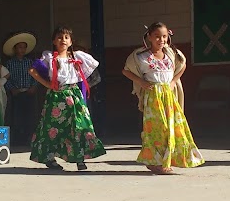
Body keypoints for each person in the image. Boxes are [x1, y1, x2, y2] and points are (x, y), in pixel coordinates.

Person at [122, 22, 203, 174]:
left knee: (173, 126)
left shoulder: (171, 54)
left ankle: (168, 160)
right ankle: (155, 162)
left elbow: (183, 65)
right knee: (157, 129)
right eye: (157, 37)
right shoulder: (141, 56)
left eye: (164, 36)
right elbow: (126, 71)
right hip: (153, 96)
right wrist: (142, 82)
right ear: (150, 37)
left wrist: (173, 81)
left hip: (168, 95)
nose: (161, 40)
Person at [28, 26, 106, 171]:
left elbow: (92, 68)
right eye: (59, 37)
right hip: (56, 97)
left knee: (79, 125)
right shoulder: (50, 57)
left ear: (70, 41)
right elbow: (32, 70)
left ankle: (79, 158)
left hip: (74, 95)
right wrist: (47, 84)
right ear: (53, 41)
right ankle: (49, 158)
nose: (63, 40)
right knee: (52, 127)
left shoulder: (77, 57)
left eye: (66, 37)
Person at [3, 32, 36, 147]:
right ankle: (17, 140)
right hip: (16, 94)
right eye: (19, 47)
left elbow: (35, 76)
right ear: (15, 49)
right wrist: (12, 89)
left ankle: (28, 139)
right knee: (16, 117)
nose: (21, 50)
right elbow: (6, 78)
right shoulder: (9, 63)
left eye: (23, 47)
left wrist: (33, 87)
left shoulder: (30, 62)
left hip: (28, 93)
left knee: (29, 117)